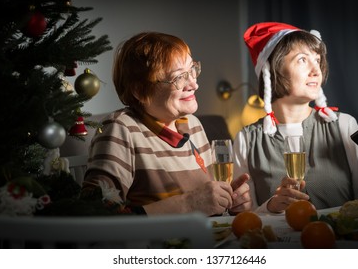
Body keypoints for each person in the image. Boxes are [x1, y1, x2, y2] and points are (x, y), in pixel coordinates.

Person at [233, 22, 358, 213]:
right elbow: (244, 217)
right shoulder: (246, 140)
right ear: (273, 71)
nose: (316, 70)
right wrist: (270, 207)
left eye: (317, 60)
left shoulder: (343, 125)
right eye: (302, 60)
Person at [81, 31, 251, 216]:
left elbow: (209, 205)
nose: (194, 84)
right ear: (139, 90)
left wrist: (229, 201)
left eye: (192, 70)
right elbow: (97, 217)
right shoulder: (120, 129)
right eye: (179, 77)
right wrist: (188, 204)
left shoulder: (193, 125)